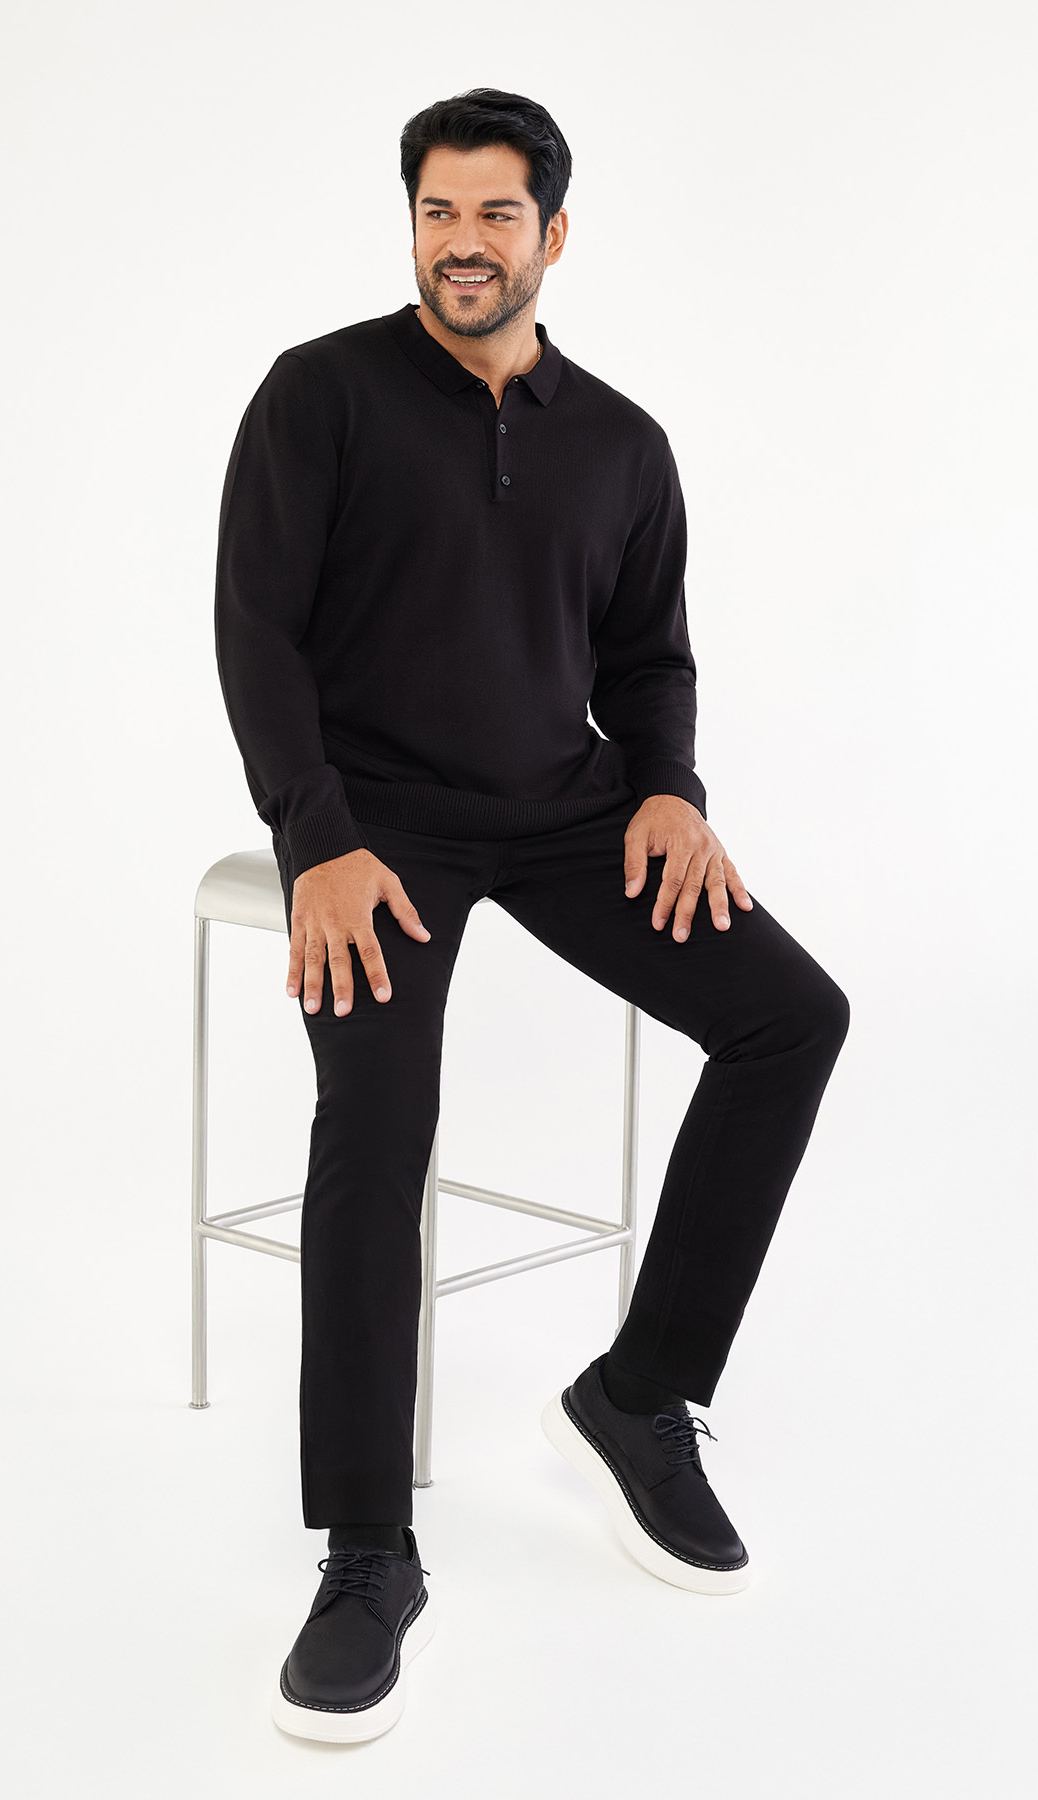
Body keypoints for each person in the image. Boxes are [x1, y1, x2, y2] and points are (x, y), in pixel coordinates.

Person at [213, 87, 850, 1744]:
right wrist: (315, 839)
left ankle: (642, 1395)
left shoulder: (623, 443)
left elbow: (646, 657)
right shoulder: (320, 395)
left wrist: (670, 790)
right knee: (378, 1120)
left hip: (567, 810)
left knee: (793, 1019)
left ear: (553, 235)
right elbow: (257, 634)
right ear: (411, 223)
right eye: (439, 212)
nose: (464, 243)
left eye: (497, 215)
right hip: (377, 827)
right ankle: (368, 1549)